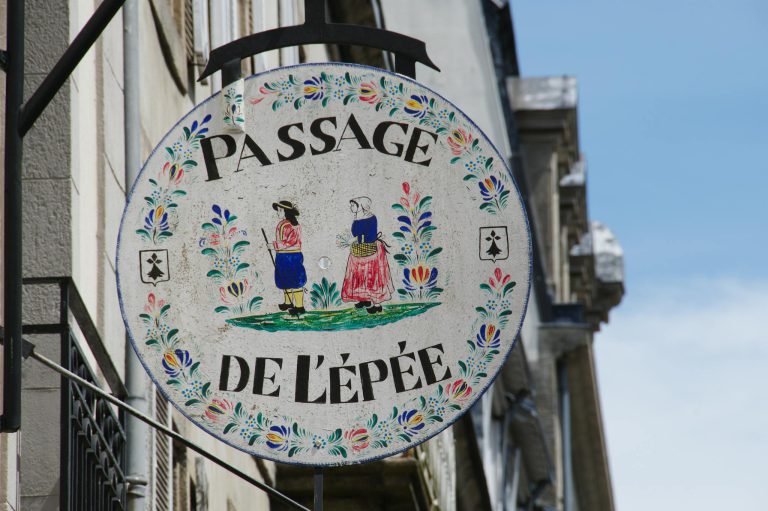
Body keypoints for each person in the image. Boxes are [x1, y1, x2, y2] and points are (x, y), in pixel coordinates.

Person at [341, 197, 393, 314]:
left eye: (353, 205)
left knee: (372, 276)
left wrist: (356, 238)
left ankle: (377, 304)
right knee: (358, 274)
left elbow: (370, 236)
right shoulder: (357, 218)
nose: (351, 207)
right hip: (360, 250)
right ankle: (363, 298)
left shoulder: (371, 218)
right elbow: (355, 232)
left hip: (371, 251)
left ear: (361, 206)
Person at [271, 200, 306, 314]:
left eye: (280, 210)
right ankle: (288, 302)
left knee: (295, 281)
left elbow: (290, 242)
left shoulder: (291, 225)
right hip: (282, 256)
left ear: (286, 211)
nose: (278, 212)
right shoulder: (282, 223)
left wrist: (274, 245)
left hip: (292, 256)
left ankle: (299, 306)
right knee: (285, 279)